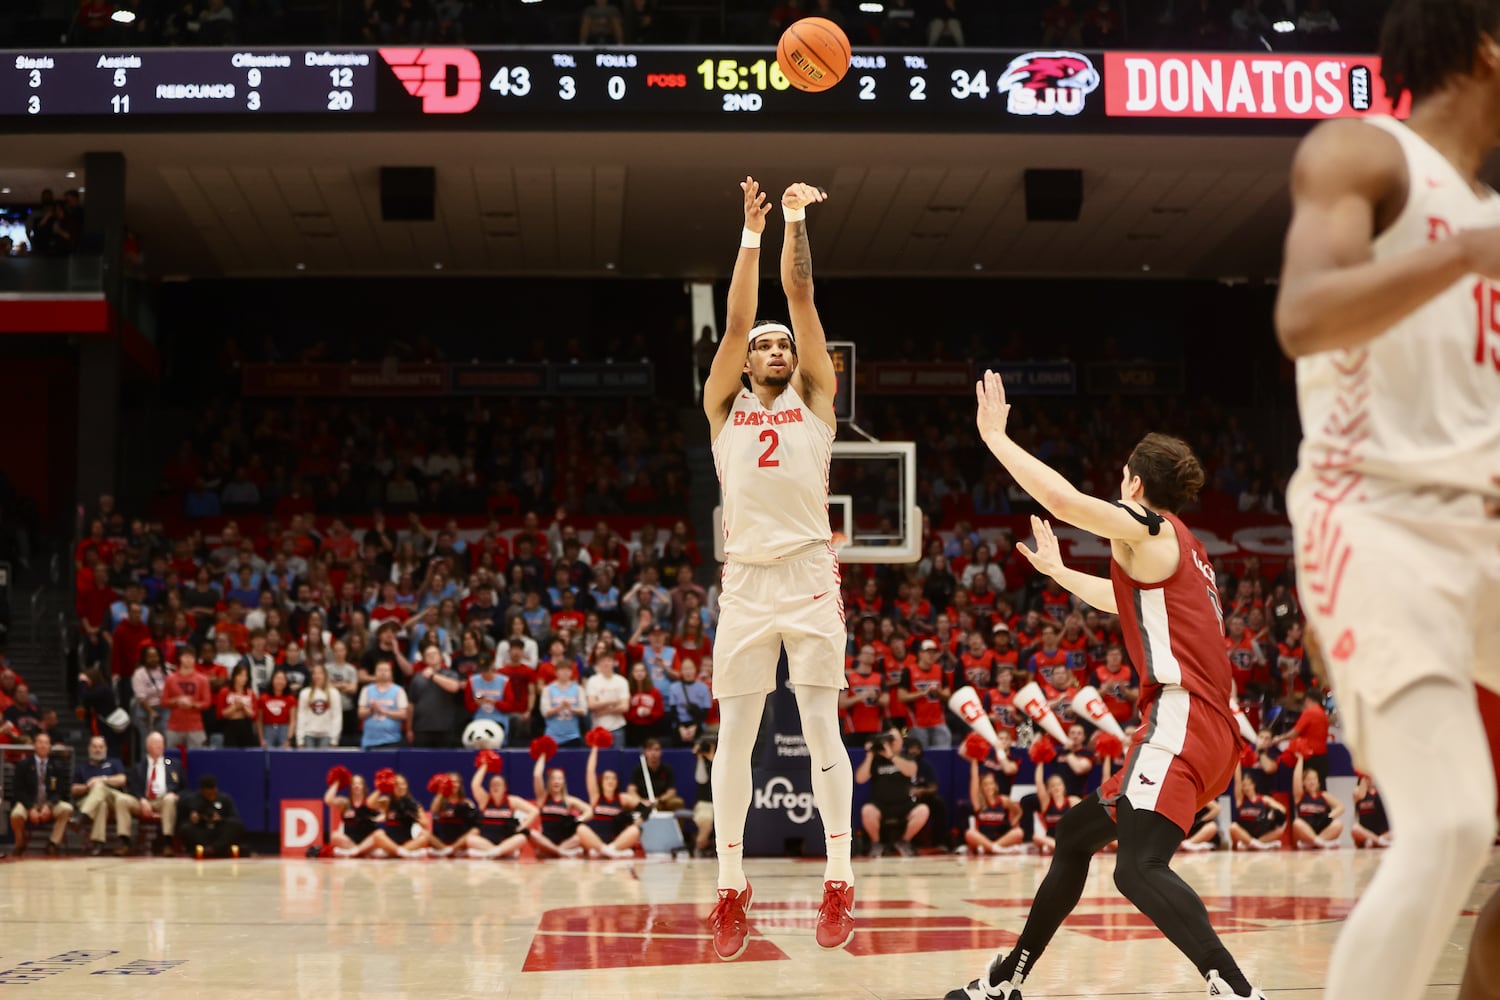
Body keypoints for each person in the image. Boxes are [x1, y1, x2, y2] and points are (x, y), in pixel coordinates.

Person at [1275, 0, 1500, 990]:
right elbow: (1302, 315)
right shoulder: (1368, 152)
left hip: (1480, 533)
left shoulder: (1490, 211)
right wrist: (1457, 253)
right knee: (1450, 822)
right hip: (1372, 519)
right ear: (1485, 47)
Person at [945, 383, 1266, 1000]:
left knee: (1138, 869)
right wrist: (1059, 571)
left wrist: (994, 439)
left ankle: (1236, 989)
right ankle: (1007, 980)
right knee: (1075, 836)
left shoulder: (1148, 527)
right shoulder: (1183, 550)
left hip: (1181, 720)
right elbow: (1124, 606)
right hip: (1206, 732)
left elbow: (1063, 500)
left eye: (1122, 476)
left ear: (1136, 485)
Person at [701, 177, 854, 959]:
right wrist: (749, 236)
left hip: (807, 573)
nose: (772, 348)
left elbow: (800, 294)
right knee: (738, 736)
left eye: (781, 345)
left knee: (822, 723)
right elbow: (734, 321)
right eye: (763, 345)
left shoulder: (818, 395)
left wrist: (794, 222)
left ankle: (838, 875)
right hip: (747, 581)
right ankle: (730, 888)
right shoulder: (725, 404)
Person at [855, 728, 927, 858]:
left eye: (893, 740)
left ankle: (904, 841)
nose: (891, 743)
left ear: (900, 742)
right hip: (880, 805)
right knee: (867, 810)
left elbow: (911, 771)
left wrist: (892, 756)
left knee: (923, 810)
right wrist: (870, 755)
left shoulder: (906, 757)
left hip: (904, 805)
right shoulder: (875, 760)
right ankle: (876, 843)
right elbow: (860, 779)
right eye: (888, 740)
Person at [8, 732, 74, 856]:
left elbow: (60, 791)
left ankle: (53, 843)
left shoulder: (57, 766)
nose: (43, 746)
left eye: (46, 743)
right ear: (34, 745)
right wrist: (30, 808)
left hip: (49, 804)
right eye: (40, 742)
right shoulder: (23, 765)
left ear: (50, 747)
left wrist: (48, 805)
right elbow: (18, 791)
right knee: (16, 814)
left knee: (67, 808)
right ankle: (20, 844)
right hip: (28, 802)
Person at [72, 735, 135, 856]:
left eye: (101, 747)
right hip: (89, 799)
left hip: (114, 800)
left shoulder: (114, 762)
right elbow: (73, 789)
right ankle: (98, 841)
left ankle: (82, 817)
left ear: (105, 748)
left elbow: (122, 779)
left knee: (100, 786)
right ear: (89, 748)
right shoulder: (81, 767)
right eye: (95, 747)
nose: (98, 750)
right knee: (101, 804)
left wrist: (101, 779)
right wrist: (87, 786)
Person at [579, 743, 643, 859]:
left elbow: (645, 808)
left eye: (613, 778)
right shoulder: (595, 797)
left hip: (616, 842)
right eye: (607, 778)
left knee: (635, 830)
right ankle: (607, 851)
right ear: (601, 782)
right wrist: (595, 747)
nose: (610, 781)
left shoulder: (622, 798)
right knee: (581, 829)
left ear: (617, 783)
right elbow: (590, 771)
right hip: (597, 841)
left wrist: (638, 820)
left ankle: (610, 850)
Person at [127, 731, 184, 856]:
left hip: (163, 800)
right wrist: (141, 799)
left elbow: (184, 787)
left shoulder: (172, 763)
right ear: (148, 747)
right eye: (156, 743)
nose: (160, 746)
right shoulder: (139, 766)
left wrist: (175, 794)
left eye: (162, 743)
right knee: (122, 800)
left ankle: (168, 842)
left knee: (169, 800)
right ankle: (124, 842)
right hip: (143, 801)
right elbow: (133, 788)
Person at [463, 764, 536, 860]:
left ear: (505, 788)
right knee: (470, 839)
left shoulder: (512, 801)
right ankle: (502, 852)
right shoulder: (484, 800)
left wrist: (523, 826)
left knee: (522, 838)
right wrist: (485, 765)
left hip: (505, 840)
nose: (495, 787)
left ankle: (489, 853)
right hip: (486, 840)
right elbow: (475, 785)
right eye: (493, 785)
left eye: (498, 784)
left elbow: (534, 811)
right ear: (489, 788)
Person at [529, 754, 590, 858]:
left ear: (563, 782)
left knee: (580, 837)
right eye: (553, 778)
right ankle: (560, 852)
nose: (556, 781)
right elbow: (537, 775)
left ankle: (557, 851)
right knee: (532, 834)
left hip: (565, 841)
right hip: (546, 840)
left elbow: (589, 810)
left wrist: (579, 819)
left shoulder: (569, 801)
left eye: (559, 779)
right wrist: (543, 754)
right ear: (549, 782)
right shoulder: (542, 798)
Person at [965, 757, 1024, 855]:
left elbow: (1019, 811)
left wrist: (1012, 823)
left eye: (991, 784)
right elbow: (974, 779)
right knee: (969, 833)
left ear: (995, 785)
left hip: (1000, 839)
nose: (989, 787)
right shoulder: (978, 802)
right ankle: (996, 848)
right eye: (985, 785)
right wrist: (974, 760)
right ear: (982, 787)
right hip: (982, 838)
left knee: (1019, 832)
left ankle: (992, 847)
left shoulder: (1003, 800)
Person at [179, 775, 246, 859]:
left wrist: (221, 819)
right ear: (202, 790)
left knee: (236, 825)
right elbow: (180, 821)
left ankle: (214, 849)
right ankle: (205, 848)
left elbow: (234, 818)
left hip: (219, 831)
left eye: (213, 792)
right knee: (186, 828)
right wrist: (193, 819)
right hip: (201, 830)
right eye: (208, 793)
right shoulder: (190, 800)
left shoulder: (224, 799)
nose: (211, 795)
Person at [1291, 753, 1344, 849]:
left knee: (1338, 824)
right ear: (1303, 782)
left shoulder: (1324, 795)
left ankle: (1313, 843)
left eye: (1314, 778)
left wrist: (1329, 816)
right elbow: (1296, 779)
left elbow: (1341, 807)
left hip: (1321, 830)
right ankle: (1321, 843)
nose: (1312, 782)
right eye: (1308, 779)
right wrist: (1300, 760)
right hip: (1305, 830)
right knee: (1297, 823)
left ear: (1318, 781)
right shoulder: (1300, 795)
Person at [163, 648, 212, 750]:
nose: (188, 660)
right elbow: (163, 701)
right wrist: (177, 701)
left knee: (197, 759)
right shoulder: (171, 679)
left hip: (195, 726)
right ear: (180, 658)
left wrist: (193, 704)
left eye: (191, 657)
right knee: (171, 759)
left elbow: (207, 703)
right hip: (174, 726)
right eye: (186, 656)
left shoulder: (202, 679)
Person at [1228, 769, 1286, 851]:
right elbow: (1237, 781)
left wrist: (1271, 813)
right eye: (1244, 785)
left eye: (1249, 784)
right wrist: (1237, 760)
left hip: (1260, 834)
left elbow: (1282, 809)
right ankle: (1256, 845)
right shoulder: (1240, 800)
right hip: (1245, 834)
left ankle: (1256, 844)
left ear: (1253, 785)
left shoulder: (1263, 799)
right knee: (1233, 827)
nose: (1246, 787)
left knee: (1279, 830)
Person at [359, 661, 409, 749]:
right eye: (380, 670)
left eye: (386, 670)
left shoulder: (399, 691)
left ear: (391, 673)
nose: (383, 673)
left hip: (391, 741)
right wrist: (371, 710)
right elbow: (360, 713)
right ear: (375, 672)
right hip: (369, 742)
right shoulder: (366, 690)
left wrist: (383, 711)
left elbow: (403, 714)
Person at [585, 650, 630, 748]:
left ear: (614, 662)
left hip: (617, 727)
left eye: (609, 660)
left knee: (618, 760)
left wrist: (604, 711)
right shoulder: (592, 681)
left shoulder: (621, 681)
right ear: (598, 663)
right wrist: (613, 702)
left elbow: (625, 707)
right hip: (598, 727)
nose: (606, 663)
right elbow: (591, 705)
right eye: (603, 661)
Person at [627, 737, 685, 813]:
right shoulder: (638, 770)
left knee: (678, 802)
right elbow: (631, 790)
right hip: (643, 802)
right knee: (627, 800)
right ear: (645, 752)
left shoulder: (667, 769)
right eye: (650, 750)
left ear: (661, 752)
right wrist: (642, 801)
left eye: (656, 750)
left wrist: (659, 800)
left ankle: (675, 825)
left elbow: (671, 792)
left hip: (661, 802)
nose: (653, 753)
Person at [296, 662, 342, 748]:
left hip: (327, 735)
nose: (317, 676)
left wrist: (334, 739)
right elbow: (301, 716)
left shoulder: (334, 693)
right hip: (308, 734)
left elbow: (337, 717)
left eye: (320, 673)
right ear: (312, 676)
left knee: (325, 761)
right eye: (315, 673)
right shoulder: (305, 693)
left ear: (325, 675)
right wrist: (300, 739)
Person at [257, 669, 297, 749]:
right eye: (277, 678)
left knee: (284, 757)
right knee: (267, 757)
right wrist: (261, 739)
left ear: (286, 682)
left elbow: (293, 721)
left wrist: (289, 739)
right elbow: (259, 721)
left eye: (282, 679)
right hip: (268, 729)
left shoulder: (290, 699)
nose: (280, 682)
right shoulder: (263, 698)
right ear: (272, 680)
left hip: (284, 730)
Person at [1350, 773, 1391, 849]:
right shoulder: (1357, 792)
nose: (1369, 779)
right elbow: (1360, 795)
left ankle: (1374, 841)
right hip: (1364, 833)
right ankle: (1378, 842)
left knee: (1396, 832)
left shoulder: (1381, 791)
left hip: (1383, 834)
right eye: (1366, 777)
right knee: (1355, 829)